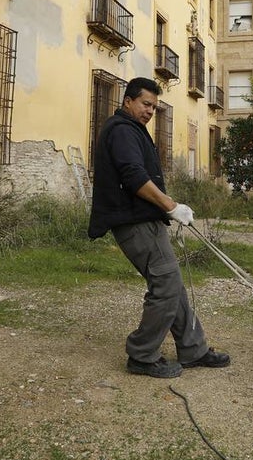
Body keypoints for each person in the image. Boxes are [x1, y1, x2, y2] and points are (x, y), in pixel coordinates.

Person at [87, 76, 231, 378]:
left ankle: (192, 349)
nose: (150, 111)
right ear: (128, 101)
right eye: (145, 104)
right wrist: (171, 206)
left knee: (173, 285)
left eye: (154, 106)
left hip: (145, 221)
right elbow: (134, 176)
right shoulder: (123, 131)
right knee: (165, 285)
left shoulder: (133, 131)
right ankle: (141, 354)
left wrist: (168, 207)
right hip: (134, 223)